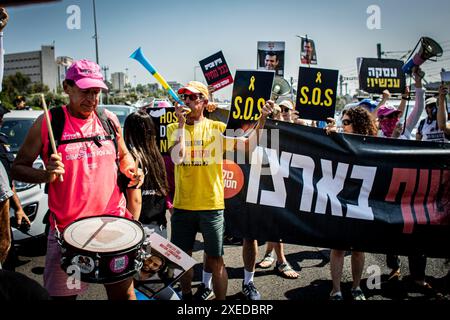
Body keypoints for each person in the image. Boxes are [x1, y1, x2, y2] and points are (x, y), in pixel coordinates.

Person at [11, 59, 143, 300]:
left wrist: (131, 169)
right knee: (64, 298)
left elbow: (125, 156)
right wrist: (45, 175)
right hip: (67, 233)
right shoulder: (49, 123)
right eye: (85, 92)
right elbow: (18, 168)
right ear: (67, 87)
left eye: (96, 92)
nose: (92, 99)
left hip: (112, 226)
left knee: (123, 295)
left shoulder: (109, 120)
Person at [167, 81, 273, 301]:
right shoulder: (173, 128)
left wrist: (261, 119)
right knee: (182, 259)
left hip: (211, 206)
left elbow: (248, 146)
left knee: (216, 259)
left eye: (193, 97)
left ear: (204, 102)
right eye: (183, 96)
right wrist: (179, 124)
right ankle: (186, 296)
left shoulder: (216, 129)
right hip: (183, 205)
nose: (186, 100)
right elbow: (178, 158)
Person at [325, 106, 378, 300]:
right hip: (340, 200)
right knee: (338, 248)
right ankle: (336, 289)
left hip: (362, 203)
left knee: (358, 249)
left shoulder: (373, 144)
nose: (343, 126)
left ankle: (356, 287)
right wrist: (330, 136)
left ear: (359, 124)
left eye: (346, 123)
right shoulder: (339, 140)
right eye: (343, 122)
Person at [256, 99, 299, 280]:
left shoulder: (300, 127)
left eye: (285, 109)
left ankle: (269, 254)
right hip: (269, 175)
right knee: (275, 219)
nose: (282, 112)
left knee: (277, 219)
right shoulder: (269, 126)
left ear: (292, 111)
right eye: (279, 110)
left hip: (290, 177)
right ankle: (281, 260)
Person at [122, 111, 170, 238]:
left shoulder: (131, 160)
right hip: (159, 227)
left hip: (138, 228)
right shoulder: (157, 157)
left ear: (128, 132)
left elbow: (136, 200)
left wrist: (130, 230)